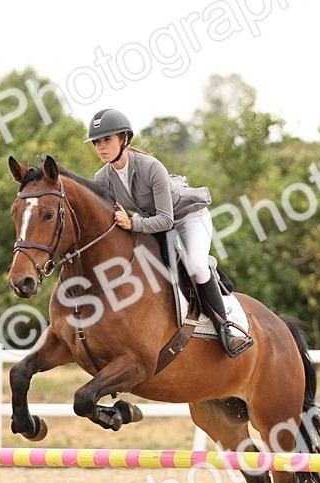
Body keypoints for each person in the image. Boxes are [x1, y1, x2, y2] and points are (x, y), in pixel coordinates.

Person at [86, 108, 252, 357]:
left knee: (196, 265)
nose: (101, 147)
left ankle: (226, 327)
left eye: (107, 140)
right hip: (150, 218)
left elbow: (166, 220)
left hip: (187, 216)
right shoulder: (102, 178)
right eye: (97, 142)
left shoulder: (151, 167)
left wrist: (133, 225)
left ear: (125, 139)